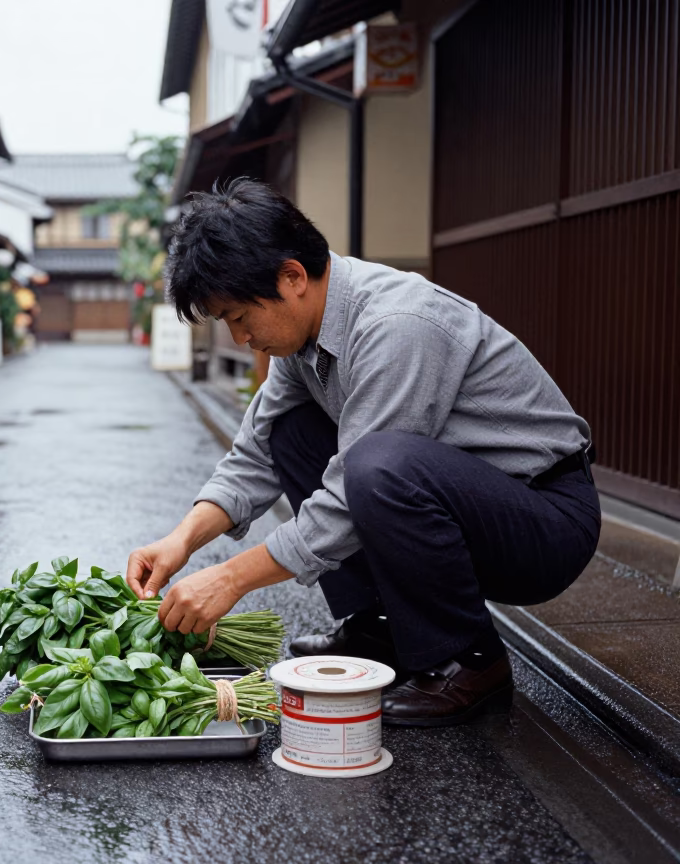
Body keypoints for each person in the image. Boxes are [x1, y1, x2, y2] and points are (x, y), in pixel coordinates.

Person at [125, 179, 600, 727]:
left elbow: (353, 493)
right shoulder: (303, 338)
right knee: (292, 431)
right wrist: (179, 541)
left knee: (379, 466)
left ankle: (470, 659)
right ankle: (382, 625)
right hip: (470, 502)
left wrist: (229, 579)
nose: (239, 338)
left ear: (292, 277)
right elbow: (256, 452)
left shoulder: (398, 325)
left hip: (544, 521)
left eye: (238, 317)